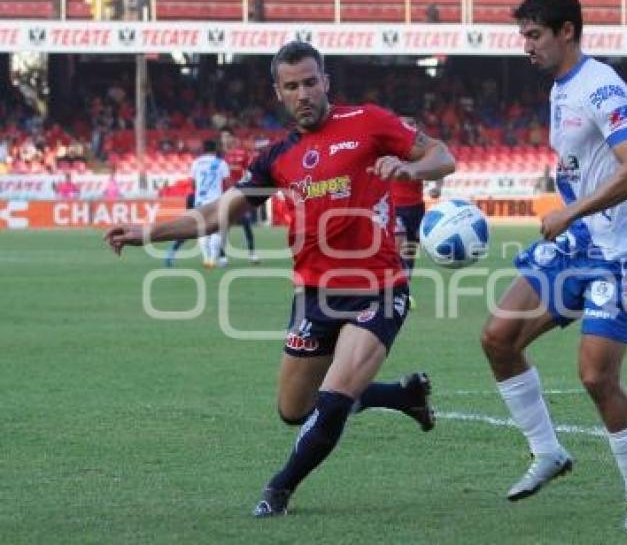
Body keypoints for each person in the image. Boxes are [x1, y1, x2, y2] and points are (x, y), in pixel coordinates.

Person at [103, 41, 455, 518]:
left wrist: (409, 166)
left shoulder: (368, 122)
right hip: (313, 295)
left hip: (379, 287)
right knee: (294, 409)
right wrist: (147, 232)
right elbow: (212, 216)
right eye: (292, 86)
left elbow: (442, 156)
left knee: (331, 402)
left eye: (311, 82)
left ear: (325, 81)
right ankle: (402, 395)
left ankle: (279, 489)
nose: (304, 93)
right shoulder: (277, 157)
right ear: (279, 93)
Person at [478, 0, 627, 530]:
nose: (525, 46)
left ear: (566, 32)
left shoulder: (600, 86)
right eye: (523, 36)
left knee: (595, 377)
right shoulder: (561, 88)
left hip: (619, 255)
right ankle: (548, 451)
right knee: (498, 338)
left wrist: (571, 209)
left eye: (534, 35)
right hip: (577, 244)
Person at [391, 115, 443, 284]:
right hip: (394, 207)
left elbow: (439, 168)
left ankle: (405, 285)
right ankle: (395, 283)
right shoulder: (388, 148)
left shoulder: (421, 151)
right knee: (402, 244)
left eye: (412, 126)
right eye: (405, 125)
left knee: (411, 250)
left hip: (415, 208)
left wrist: (437, 187)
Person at [220, 127, 259, 264]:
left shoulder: (241, 154)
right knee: (224, 226)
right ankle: (222, 256)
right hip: (224, 196)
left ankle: (252, 253)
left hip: (239, 195)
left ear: (232, 138)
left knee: (246, 223)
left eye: (226, 136)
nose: (224, 139)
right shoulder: (219, 156)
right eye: (222, 137)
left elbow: (250, 172)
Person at [191, 140, 230, 268]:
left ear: (203, 149)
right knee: (216, 231)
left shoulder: (196, 163)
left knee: (202, 231)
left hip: (200, 201)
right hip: (216, 201)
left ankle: (206, 258)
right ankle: (213, 259)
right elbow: (227, 184)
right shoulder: (221, 163)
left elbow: (193, 184)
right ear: (215, 150)